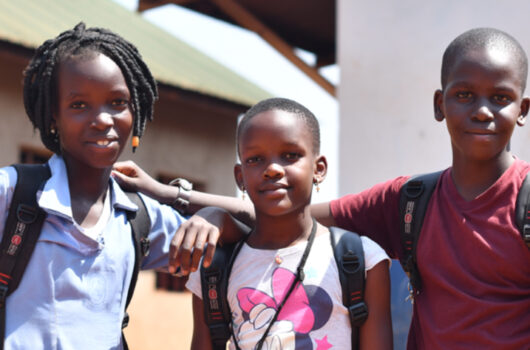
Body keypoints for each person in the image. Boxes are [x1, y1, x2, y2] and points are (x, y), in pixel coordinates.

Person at [114, 28, 530, 349]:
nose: (481, 110)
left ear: (522, 110)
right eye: (464, 94)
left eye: (500, 97)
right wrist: (177, 196)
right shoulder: (409, 201)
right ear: (440, 105)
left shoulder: (524, 201)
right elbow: (291, 214)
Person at [115, 98, 393, 349]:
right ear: (240, 177)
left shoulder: (361, 260)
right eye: (256, 159)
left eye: (290, 155)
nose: (272, 169)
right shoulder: (215, 266)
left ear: (318, 169)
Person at [0, 23, 189, 349]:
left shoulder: (140, 218)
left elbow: (273, 226)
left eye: (117, 102)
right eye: (78, 105)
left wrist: (180, 198)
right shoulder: (12, 194)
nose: (102, 119)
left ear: (135, 112)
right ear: (53, 117)